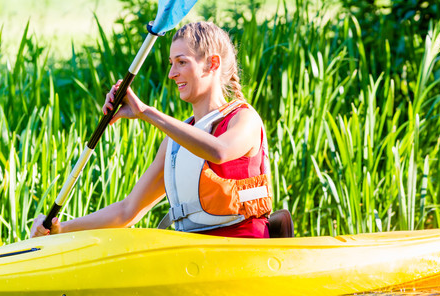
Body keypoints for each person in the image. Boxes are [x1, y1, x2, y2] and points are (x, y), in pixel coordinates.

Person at [31, 21, 273, 239]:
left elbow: (220, 151)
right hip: (196, 254)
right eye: (171, 64)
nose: (171, 74)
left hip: (243, 250)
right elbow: (128, 210)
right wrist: (60, 228)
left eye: (182, 62)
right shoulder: (175, 143)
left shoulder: (243, 118)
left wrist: (146, 112)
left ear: (212, 64)